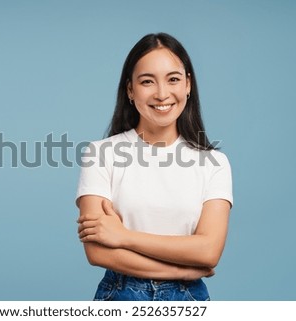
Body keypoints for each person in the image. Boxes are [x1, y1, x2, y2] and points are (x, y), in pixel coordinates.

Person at [75, 32, 233, 301]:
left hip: (189, 300)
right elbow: (98, 253)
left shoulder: (213, 163)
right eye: (147, 81)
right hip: (121, 294)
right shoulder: (101, 154)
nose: (162, 94)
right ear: (130, 90)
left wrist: (124, 237)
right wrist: (182, 271)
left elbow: (208, 251)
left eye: (173, 79)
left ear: (188, 85)